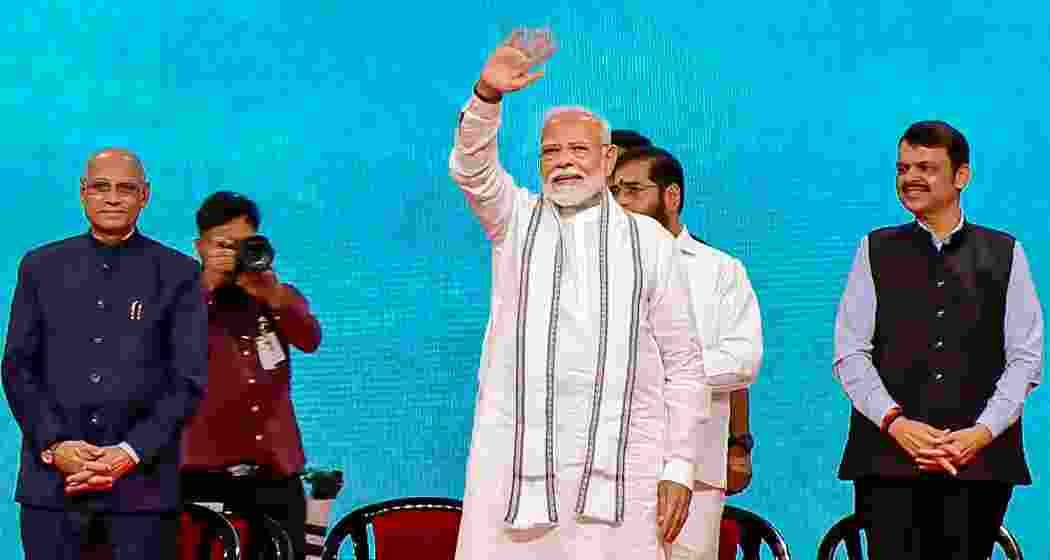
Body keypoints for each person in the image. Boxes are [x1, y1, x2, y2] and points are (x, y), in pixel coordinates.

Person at [450, 29, 709, 559]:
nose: (563, 161)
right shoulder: (515, 221)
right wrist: (487, 96)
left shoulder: (651, 243)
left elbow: (684, 365)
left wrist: (679, 467)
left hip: (622, 476)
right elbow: (472, 171)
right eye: (550, 152)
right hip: (513, 468)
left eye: (577, 149)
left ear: (609, 158)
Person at [833, 121, 1043, 559]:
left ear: (961, 176)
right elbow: (850, 353)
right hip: (888, 460)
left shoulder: (1004, 252)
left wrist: (981, 433)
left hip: (979, 463)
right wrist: (897, 424)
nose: (910, 178)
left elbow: (1025, 358)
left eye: (926, 167)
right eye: (902, 167)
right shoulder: (875, 248)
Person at [1, 148, 208, 559]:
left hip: (142, 494)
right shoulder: (40, 266)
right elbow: (18, 367)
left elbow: (186, 382)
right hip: (52, 489)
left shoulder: (180, 274)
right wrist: (56, 446)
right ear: (83, 194)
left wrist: (126, 455)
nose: (113, 198)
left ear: (144, 196)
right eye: (101, 187)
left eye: (126, 189)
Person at [611, 146, 762, 559]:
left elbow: (743, 359)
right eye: (614, 191)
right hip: (613, 468)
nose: (621, 202)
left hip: (696, 467)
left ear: (671, 196)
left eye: (632, 190)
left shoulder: (719, 269)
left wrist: (662, 372)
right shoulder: (599, 269)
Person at [180, 191, 322, 560]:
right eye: (224, 245)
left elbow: (310, 337)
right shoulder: (180, 300)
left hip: (275, 474)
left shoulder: (274, 294)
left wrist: (273, 295)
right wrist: (208, 284)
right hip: (202, 476)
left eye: (245, 244)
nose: (234, 254)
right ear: (200, 247)